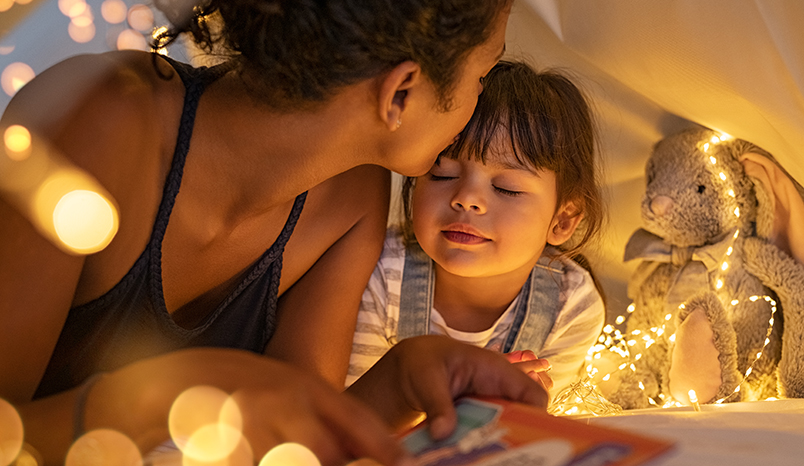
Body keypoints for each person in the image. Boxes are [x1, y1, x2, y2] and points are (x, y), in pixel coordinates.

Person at [0, 1, 551, 465]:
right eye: (482, 77)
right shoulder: (101, 117)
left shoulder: (354, 198)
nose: (479, 98)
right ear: (401, 91)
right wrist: (167, 393)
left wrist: (404, 380)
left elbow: (292, 440)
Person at [347, 61, 607, 397]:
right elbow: (354, 413)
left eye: (506, 187)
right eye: (443, 174)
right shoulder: (380, 274)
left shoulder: (571, 306)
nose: (467, 199)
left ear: (563, 220)